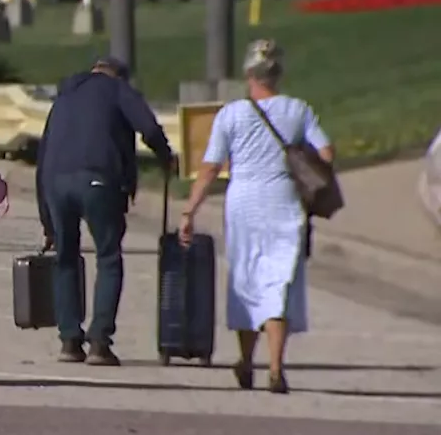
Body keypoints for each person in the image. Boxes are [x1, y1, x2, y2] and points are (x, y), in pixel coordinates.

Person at [179, 40, 334, 394]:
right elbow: (326, 152)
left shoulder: (231, 115)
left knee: (247, 278)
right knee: (278, 282)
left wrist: (190, 211)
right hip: (284, 201)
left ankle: (246, 360)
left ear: (249, 74)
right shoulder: (299, 110)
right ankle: (276, 367)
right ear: (278, 73)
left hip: (244, 202)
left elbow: (209, 167)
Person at [35, 56, 175, 366]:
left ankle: (70, 341)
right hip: (98, 178)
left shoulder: (65, 96)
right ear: (120, 76)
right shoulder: (116, 89)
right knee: (108, 257)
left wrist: (47, 220)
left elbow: (43, 155)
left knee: (65, 258)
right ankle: (99, 341)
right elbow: (148, 127)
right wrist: (166, 156)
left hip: (55, 181)